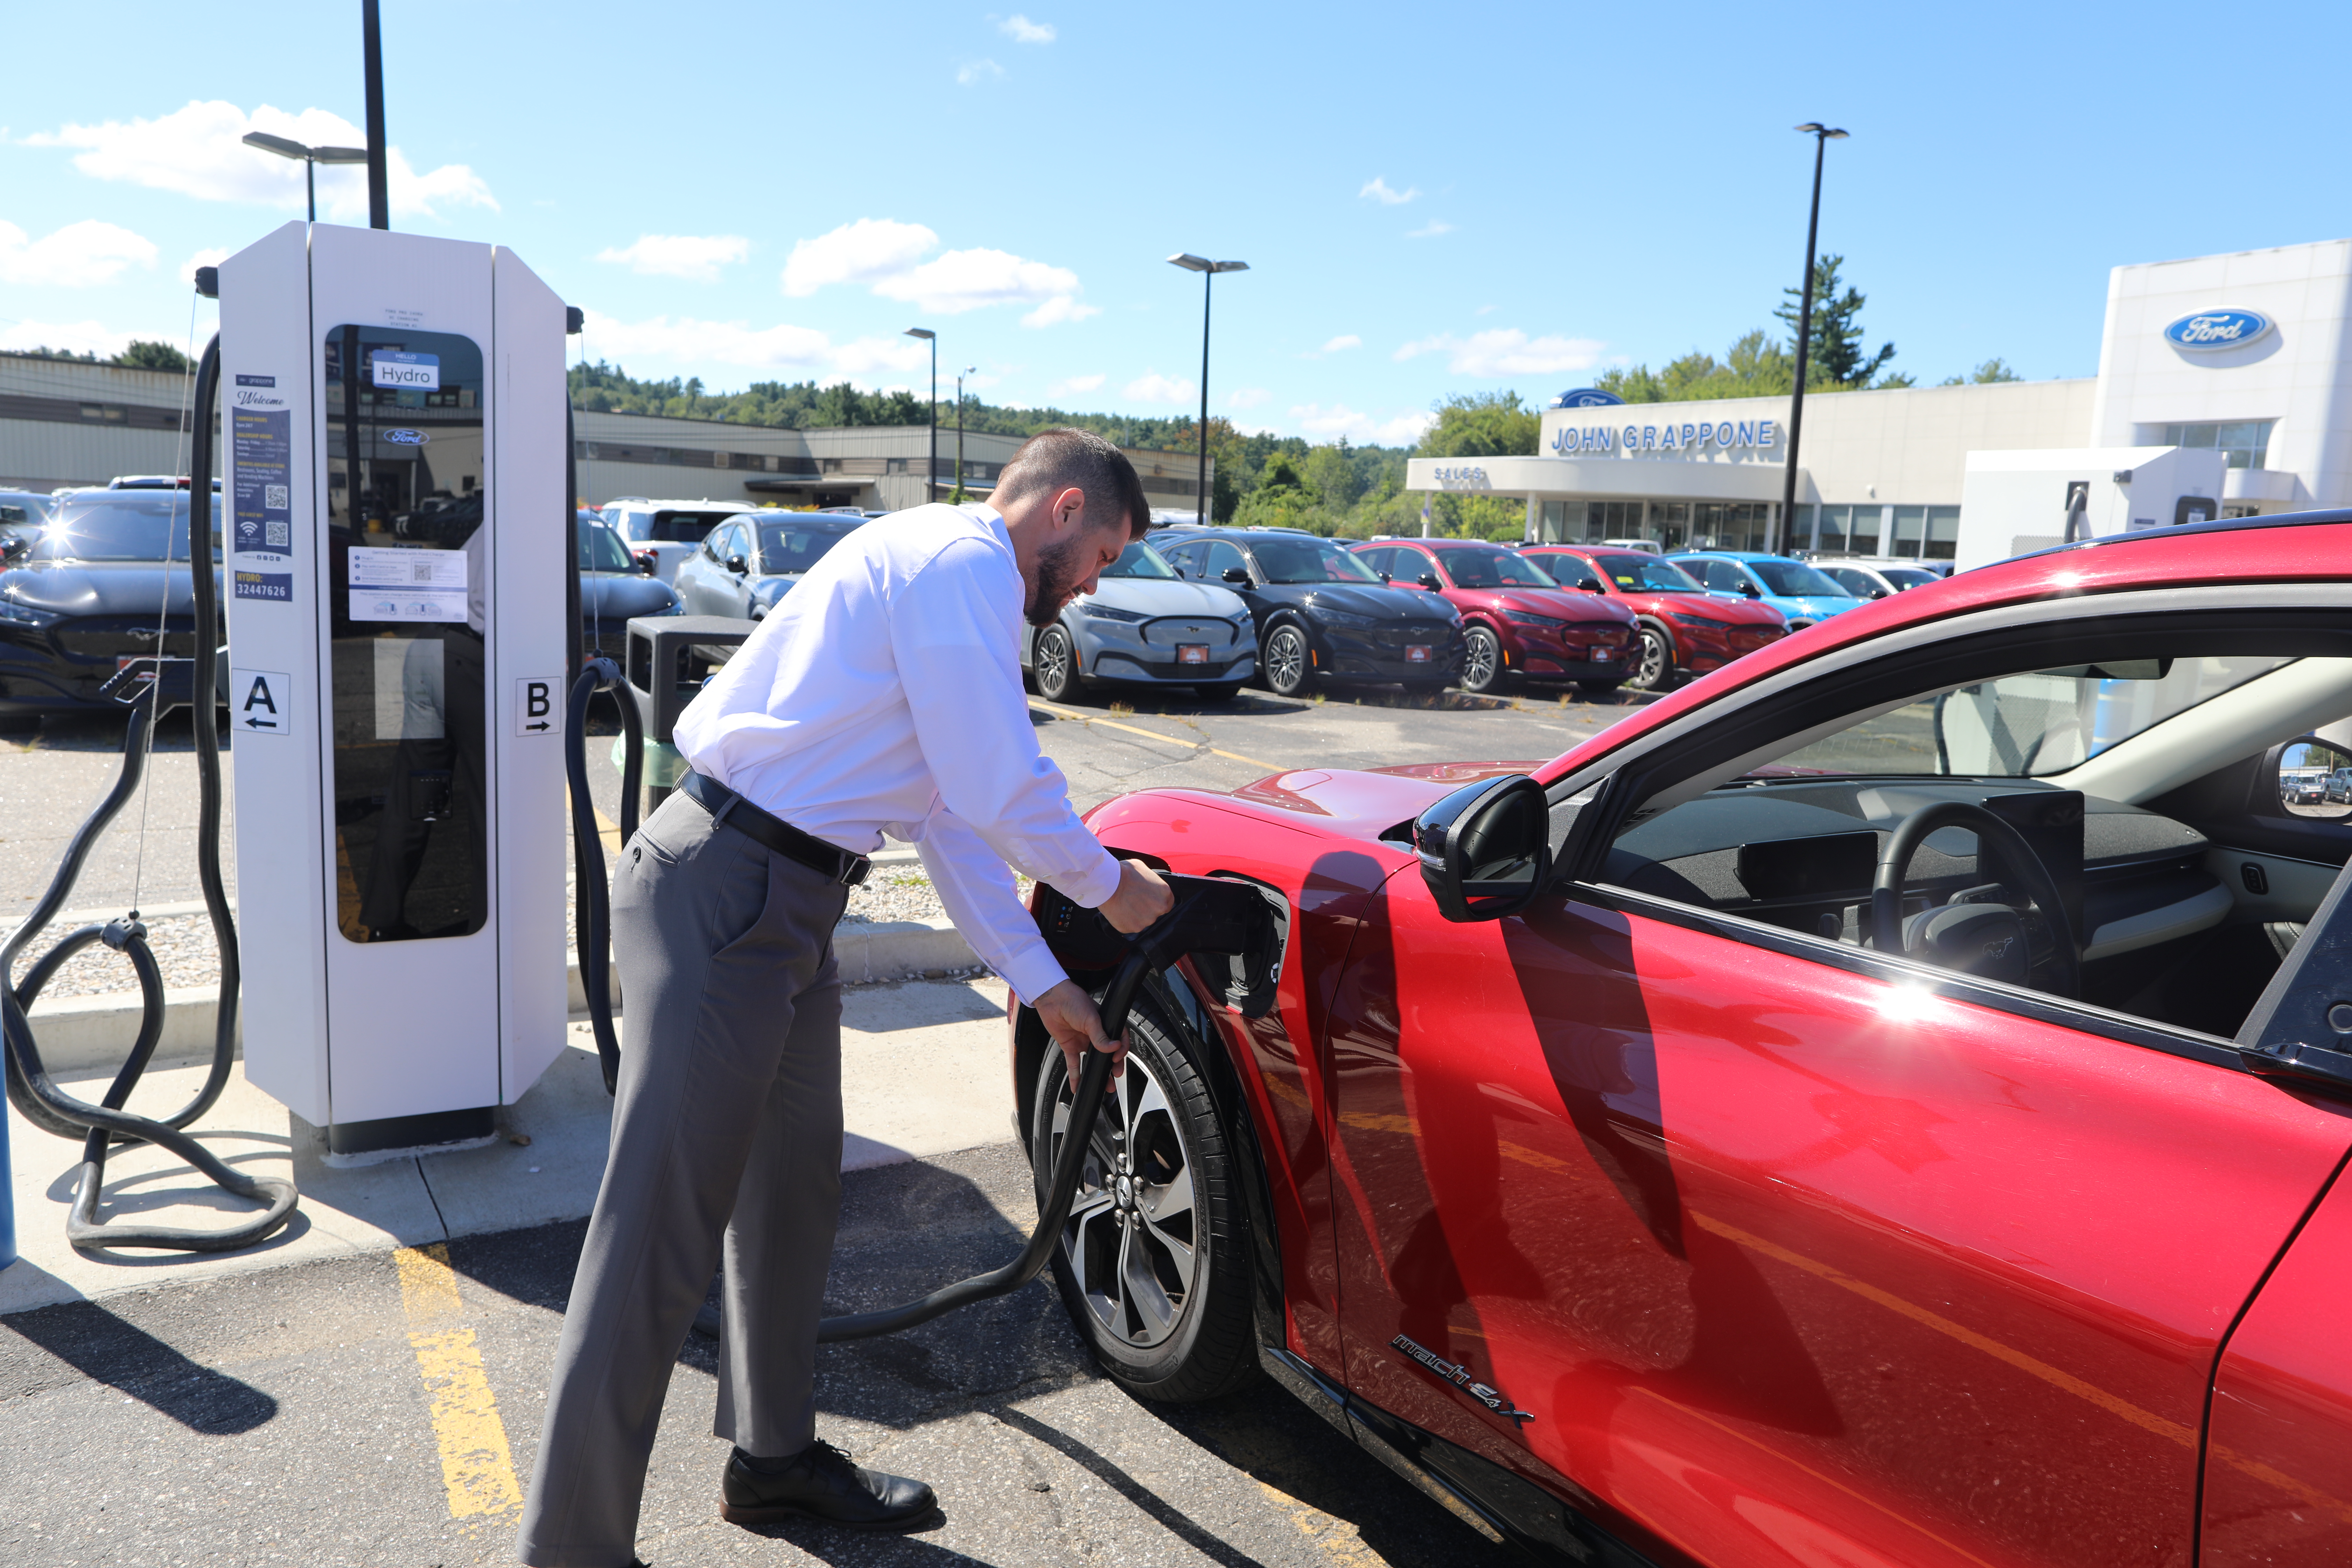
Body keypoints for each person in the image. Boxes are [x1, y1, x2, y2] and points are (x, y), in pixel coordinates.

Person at [517, 428, 1175, 1567]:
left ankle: (771, 1465)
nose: (1094, 583)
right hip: (728, 890)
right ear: (1065, 509)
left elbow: (949, 816)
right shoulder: (959, 564)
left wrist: (1047, 984)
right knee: (658, 1228)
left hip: (792, 905)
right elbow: (995, 784)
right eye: (1103, 555)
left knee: (790, 1194)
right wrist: (1112, 890)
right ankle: (569, 1548)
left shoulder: (948, 587)